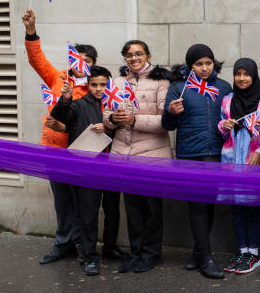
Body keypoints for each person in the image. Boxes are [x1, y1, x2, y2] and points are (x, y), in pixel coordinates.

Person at [22, 8, 123, 265]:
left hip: (84, 153)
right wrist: (31, 31)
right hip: (55, 151)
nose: (83, 64)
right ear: (72, 61)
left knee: (84, 203)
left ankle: (83, 246)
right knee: (62, 201)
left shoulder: (99, 90)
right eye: (79, 59)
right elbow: (36, 59)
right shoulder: (57, 79)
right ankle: (63, 243)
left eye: (88, 60)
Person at [162, 44, 232, 279]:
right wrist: (171, 112)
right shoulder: (179, 88)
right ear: (190, 66)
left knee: (209, 203)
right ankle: (207, 257)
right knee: (197, 205)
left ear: (214, 64)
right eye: (198, 64)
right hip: (190, 154)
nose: (204, 68)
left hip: (215, 153)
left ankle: (198, 252)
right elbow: (167, 126)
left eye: (208, 63)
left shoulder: (223, 88)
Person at [103, 40, 172, 274]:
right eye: (129, 55)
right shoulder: (118, 82)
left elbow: (165, 121)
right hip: (123, 155)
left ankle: (152, 254)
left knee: (151, 208)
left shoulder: (161, 81)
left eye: (138, 54)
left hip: (152, 156)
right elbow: (105, 117)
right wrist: (113, 119)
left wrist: (134, 120)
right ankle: (136, 252)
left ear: (148, 55)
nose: (133, 58)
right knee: (132, 208)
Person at [50, 66, 113, 276]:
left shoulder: (116, 102)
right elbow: (60, 116)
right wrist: (65, 98)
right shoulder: (78, 104)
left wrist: (109, 126)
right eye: (94, 85)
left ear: (109, 85)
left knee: (113, 211)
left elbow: (126, 127)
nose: (98, 89)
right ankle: (89, 256)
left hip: (114, 166)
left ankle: (111, 249)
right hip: (87, 168)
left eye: (103, 85)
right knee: (88, 214)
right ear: (87, 85)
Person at [218, 58, 260, 274]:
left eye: (246, 74)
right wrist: (224, 125)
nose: (241, 78)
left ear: (254, 75)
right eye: (238, 74)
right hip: (232, 160)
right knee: (237, 207)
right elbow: (220, 129)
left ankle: (254, 253)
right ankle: (242, 250)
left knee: (254, 206)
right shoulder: (228, 100)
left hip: (253, 159)